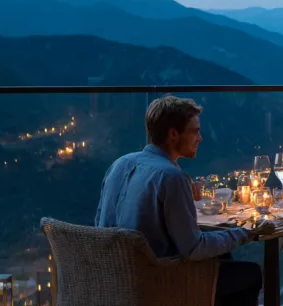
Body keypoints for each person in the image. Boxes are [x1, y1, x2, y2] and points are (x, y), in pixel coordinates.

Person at [95, 96, 263, 306]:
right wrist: (245, 232)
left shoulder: (120, 164)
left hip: (117, 277)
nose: (200, 138)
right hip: (158, 282)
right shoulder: (171, 177)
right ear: (173, 133)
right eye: (195, 131)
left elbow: (100, 223)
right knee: (250, 274)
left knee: (224, 258)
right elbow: (193, 249)